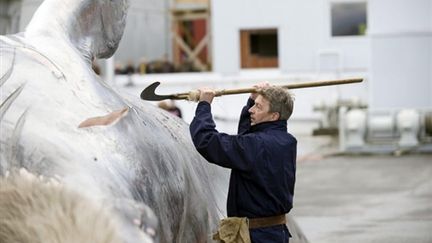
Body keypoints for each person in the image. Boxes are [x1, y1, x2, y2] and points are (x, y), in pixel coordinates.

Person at [189, 83, 297, 243]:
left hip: (257, 236)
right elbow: (247, 140)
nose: (251, 110)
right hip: (274, 233)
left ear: (274, 116)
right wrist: (252, 100)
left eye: (258, 107)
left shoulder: (257, 145)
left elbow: (207, 141)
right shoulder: (287, 141)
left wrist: (204, 105)